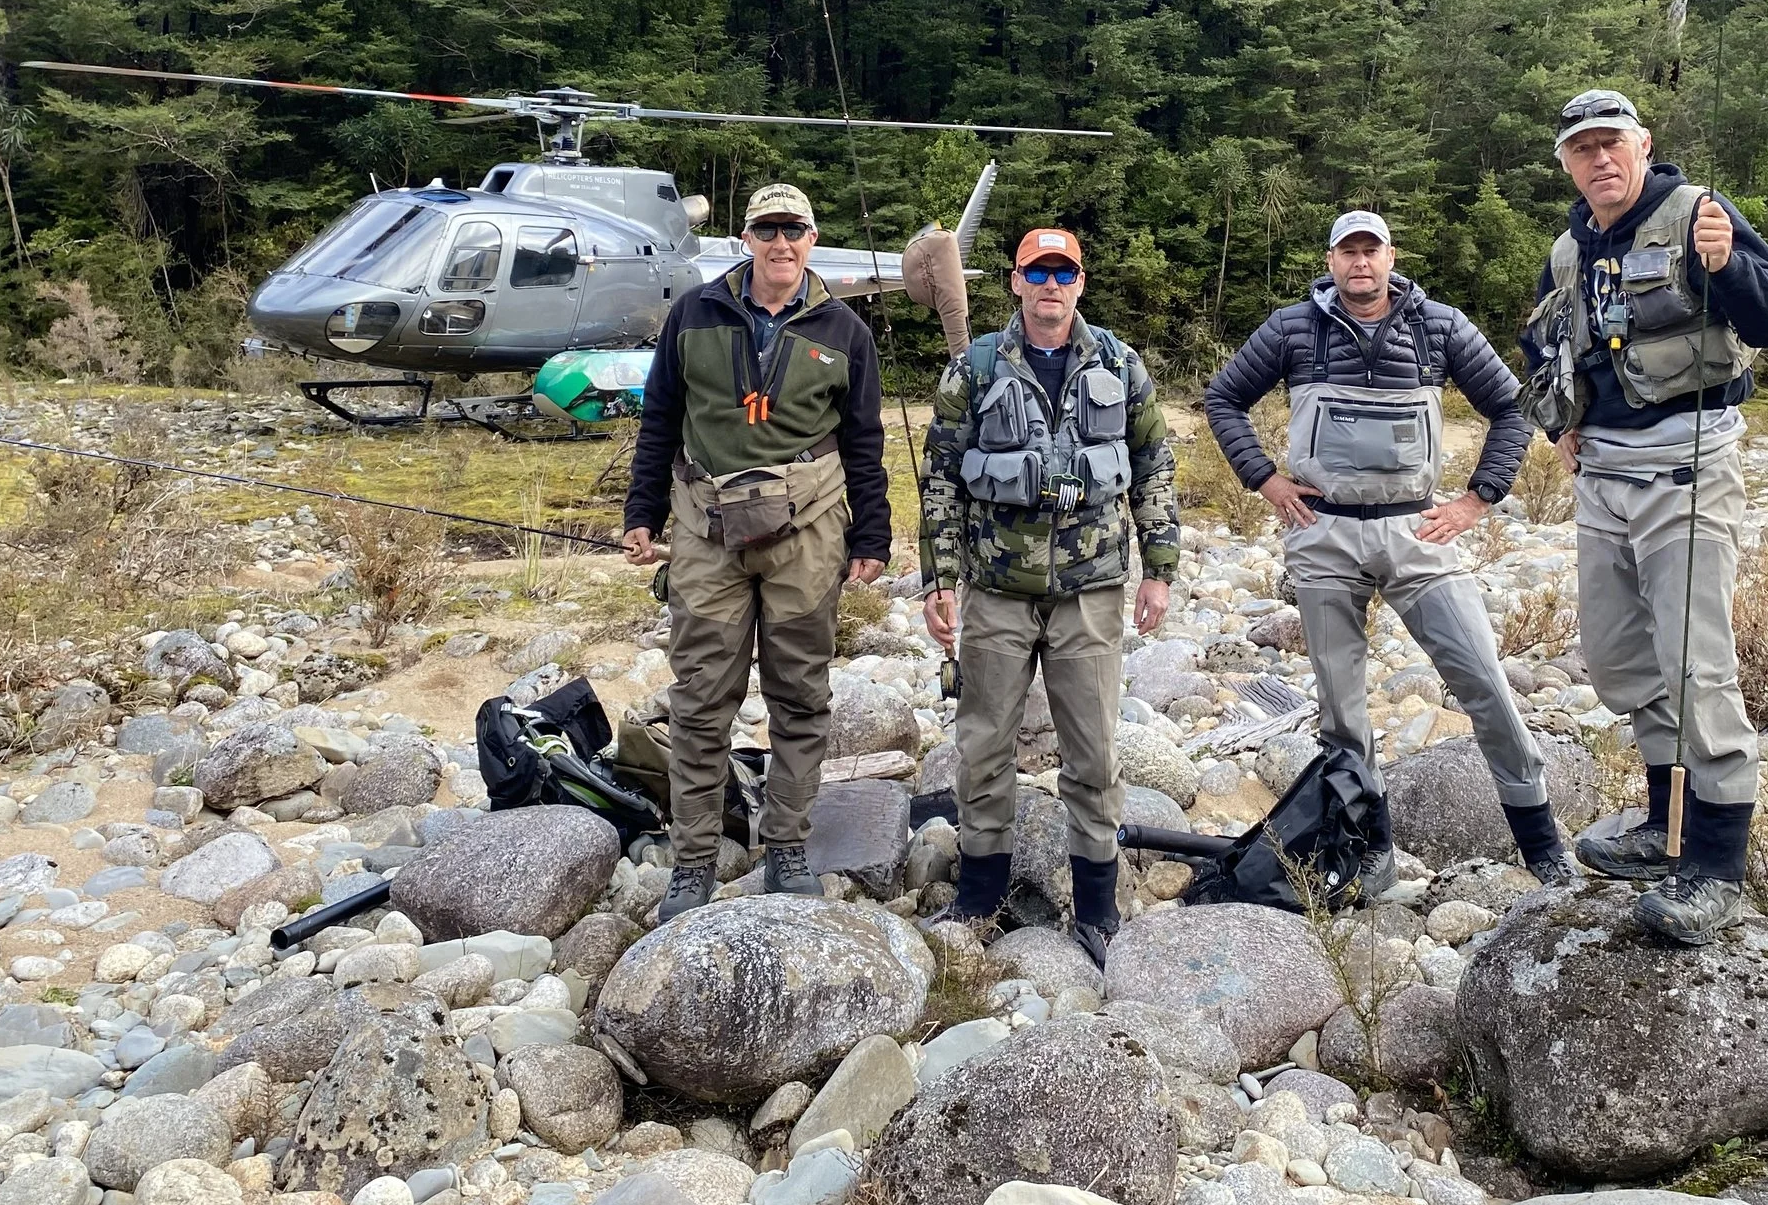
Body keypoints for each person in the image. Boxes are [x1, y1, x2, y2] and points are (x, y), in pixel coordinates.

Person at [1205, 211, 1571, 894]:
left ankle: (1542, 843)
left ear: (1390, 256)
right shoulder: (1291, 328)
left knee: (1485, 683)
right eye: (1348, 251)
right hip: (1323, 536)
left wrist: (1476, 500)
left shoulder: (1441, 326)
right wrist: (1266, 480)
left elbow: (1513, 406)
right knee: (1342, 713)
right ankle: (1372, 851)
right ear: (1331, 261)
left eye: (1370, 250)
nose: (1360, 262)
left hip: (1416, 533)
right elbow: (1223, 397)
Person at [1519, 89, 1768, 943]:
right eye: (1582, 149)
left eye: (1612, 142)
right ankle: (1663, 822)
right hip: (1601, 475)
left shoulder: (1697, 214)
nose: (1600, 158)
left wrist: (1727, 266)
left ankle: (1715, 866)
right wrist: (1560, 424)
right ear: (1567, 164)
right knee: (1618, 658)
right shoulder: (1569, 248)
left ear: (1642, 145)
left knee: (1695, 664)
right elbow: (1544, 345)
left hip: (1687, 465)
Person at [621, 182, 893, 924]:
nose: (780, 242)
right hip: (704, 527)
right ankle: (694, 860)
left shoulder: (845, 330)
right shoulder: (694, 313)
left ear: (812, 239)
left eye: (793, 229)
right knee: (701, 698)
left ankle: (788, 845)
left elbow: (863, 439)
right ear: (745, 238)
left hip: (808, 533)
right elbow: (659, 418)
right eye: (767, 229)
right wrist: (642, 513)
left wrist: (872, 533)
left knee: (800, 695)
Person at [918, 227, 1179, 961]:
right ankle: (979, 898)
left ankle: (1096, 909)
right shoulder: (974, 369)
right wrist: (938, 579)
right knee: (982, 748)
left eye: (1064, 273)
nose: (1051, 286)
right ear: (1016, 281)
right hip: (996, 591)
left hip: (1091, 591)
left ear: (1080, 283)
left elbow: (1155, 464)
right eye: (1038, 273)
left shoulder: (1120, 364)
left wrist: (1159, 568)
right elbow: (940, 478)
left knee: (1093, 754)